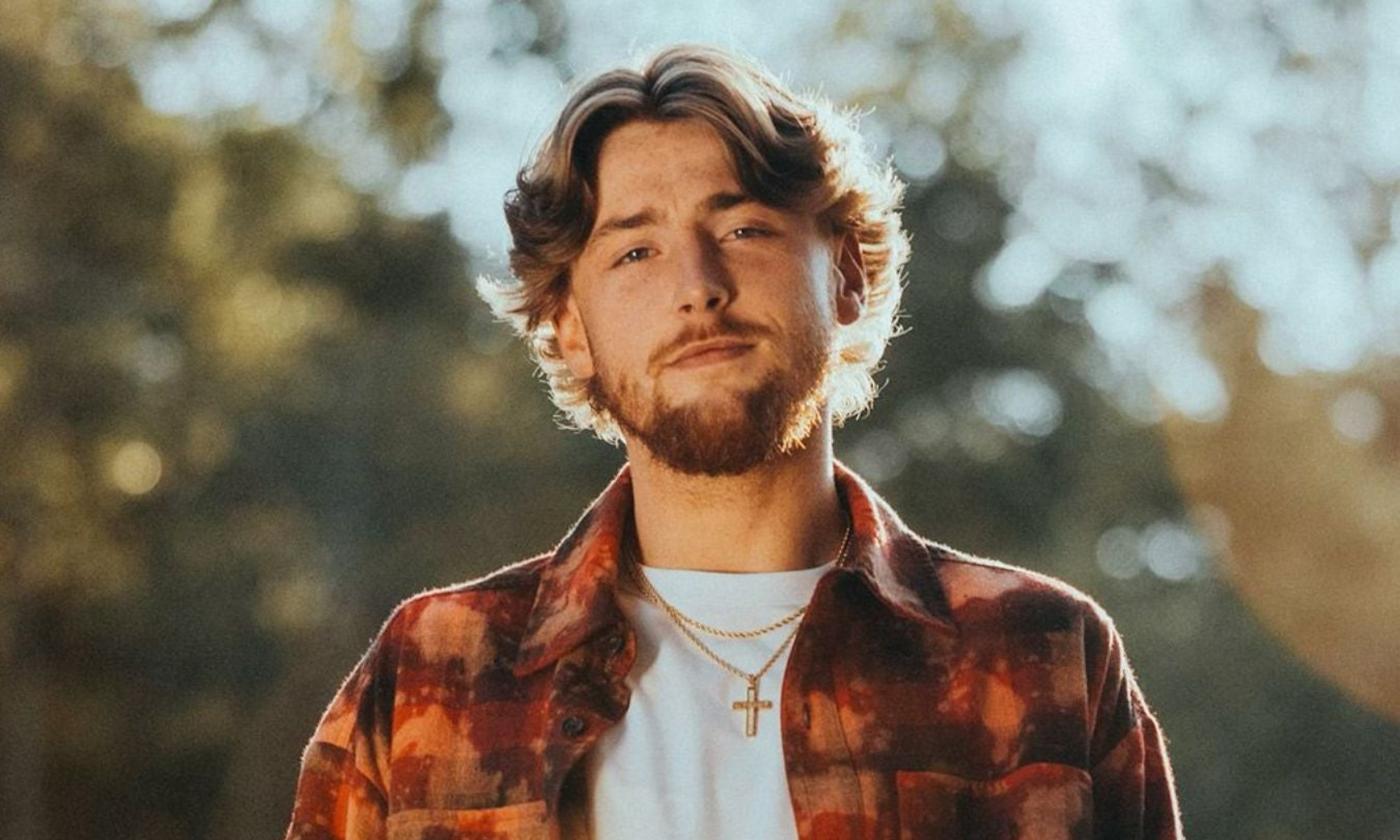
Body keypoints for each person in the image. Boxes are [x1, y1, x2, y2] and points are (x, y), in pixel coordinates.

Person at [284, 43, 1182, 840]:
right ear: (568, 327)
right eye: (636, 252)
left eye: (744, 228)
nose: (699, 287)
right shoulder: (437, 677)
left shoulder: (1037, 659)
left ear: (846, 275)